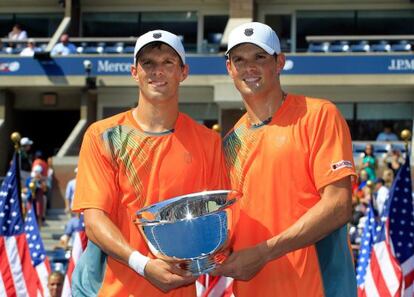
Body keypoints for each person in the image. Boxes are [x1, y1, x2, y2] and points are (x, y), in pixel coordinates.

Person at [71, 30, 228, 296]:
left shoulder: (208, 142)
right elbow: (94, 220)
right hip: (112, 291)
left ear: (184, 72)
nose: (158, 71)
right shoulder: (103, 135)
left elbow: (216, 222)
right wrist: (143, 265)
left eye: (168, 62)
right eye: (149, 63)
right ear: (134, 72)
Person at [212, 22, 357, 296]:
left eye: (260, 57)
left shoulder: (318, 115)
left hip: (318, 287)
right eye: (239, 60)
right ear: (229, 68)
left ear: (280, 63)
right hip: (253, 289)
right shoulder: (230, 142)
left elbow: (339, 206)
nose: (249, 68)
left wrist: (264, 253)